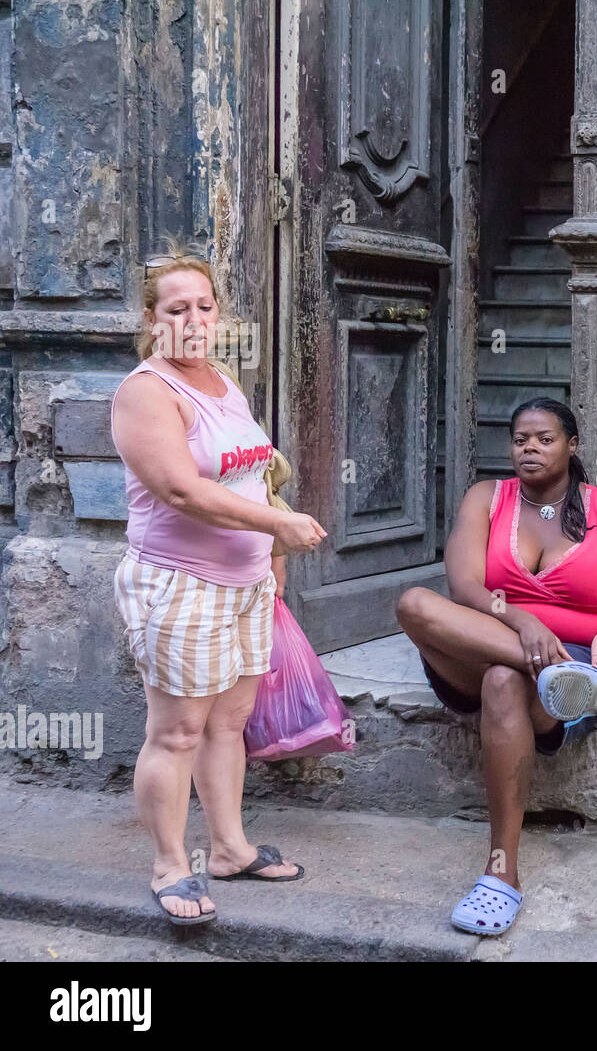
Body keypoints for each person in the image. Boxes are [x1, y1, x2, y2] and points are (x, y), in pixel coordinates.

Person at [110, 246, 327, 926]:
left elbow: (250, 471)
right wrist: (279, 523)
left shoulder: (220, 382)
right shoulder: (146, 392)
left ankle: (229, 848)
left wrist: (270, 557)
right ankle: (171, 866)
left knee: (227, 724)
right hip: (180, 586)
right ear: (151, 318)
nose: (195, 319)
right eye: (177, 309)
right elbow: (181, 488)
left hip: (244, 584)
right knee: (177, 730)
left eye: (205, 305)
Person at [395, 397, 597, 936]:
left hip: (573, 662)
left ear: (572, 445)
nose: (529, 448)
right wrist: (523, 624)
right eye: (520, 440)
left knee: (502, 683)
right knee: (414, 604)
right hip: (488, 643)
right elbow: (465, 587)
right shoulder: (488, 498)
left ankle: (502, 874)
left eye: (544, 439)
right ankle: (560, 677)